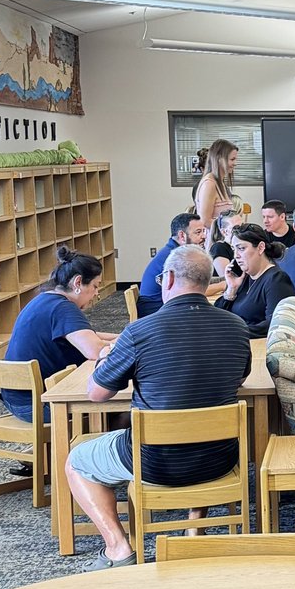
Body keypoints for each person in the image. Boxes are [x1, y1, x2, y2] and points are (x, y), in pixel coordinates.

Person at [65, 245, 252, 571]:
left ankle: (118, 547)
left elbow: (97, 395)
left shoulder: (139, 332)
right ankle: (192, 530)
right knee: (197, 422)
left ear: (166, 279)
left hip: (155, 462)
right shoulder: (236, 326)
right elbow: (241, 377)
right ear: (208, 281)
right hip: (220, 458)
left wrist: (105, 362)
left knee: (76, 462)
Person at [2, 248, 118, 422]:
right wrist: (124, 341)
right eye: (95, 286)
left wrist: (121, 336)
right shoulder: (63, 308)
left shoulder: (45, 299)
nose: (96, 294)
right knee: (119, 406)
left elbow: (87, 335)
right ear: (78, 283)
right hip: (37, 405)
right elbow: (96, 351)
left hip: (18, 398)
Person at [213, 222, 295, 337]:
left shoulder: (276, 280)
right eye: (234, 249)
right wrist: (231, 290)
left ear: (261, 247)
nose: (236, 255)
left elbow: (274, 324)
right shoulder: (244, 277)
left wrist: (232, 332)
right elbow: (216, 317)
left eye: (241, 248)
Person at [135, 212, 207, 316]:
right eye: (198, 232)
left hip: (160, 306)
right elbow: (194, 290)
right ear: (182, 236)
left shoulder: (174, 251)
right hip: (156, 311)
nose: (203, 236)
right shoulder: (175, 257)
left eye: (203, 231)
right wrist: (224, 285)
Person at [193, 139, 240, 245]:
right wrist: (228, 231)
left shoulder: (220, 183)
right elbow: (205, 221)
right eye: (232, 159)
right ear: (219, 159)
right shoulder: (209, 184)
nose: (235, 163)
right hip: (215, 244)